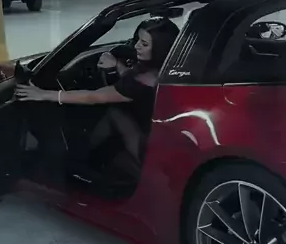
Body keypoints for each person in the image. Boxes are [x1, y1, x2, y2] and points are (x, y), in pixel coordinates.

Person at [16, 17, 179, 182]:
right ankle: (86, 156)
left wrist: (43, 94)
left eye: (144, 44)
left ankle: (79, 160)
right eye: (137, 40)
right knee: (117, 112)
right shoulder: (170, 67)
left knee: (114, 113)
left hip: (146, 148)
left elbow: (93, 97)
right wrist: (117, 65)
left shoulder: (143, 81)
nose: (136, 46)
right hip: (163, 137)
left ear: (159, 48)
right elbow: (130, 82)